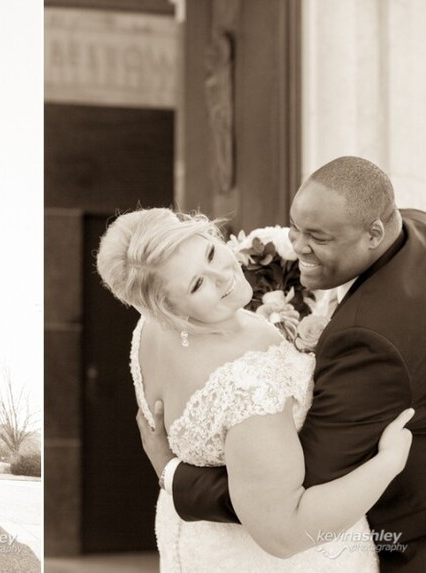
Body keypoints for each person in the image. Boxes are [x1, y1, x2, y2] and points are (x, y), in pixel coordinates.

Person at [136, 157, 426, 572]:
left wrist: (171, 472)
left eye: (318, 237)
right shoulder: (414, 226)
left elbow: (297, 496)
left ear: (374, 232)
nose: (297, 245)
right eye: (295, 227)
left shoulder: (369, 339)